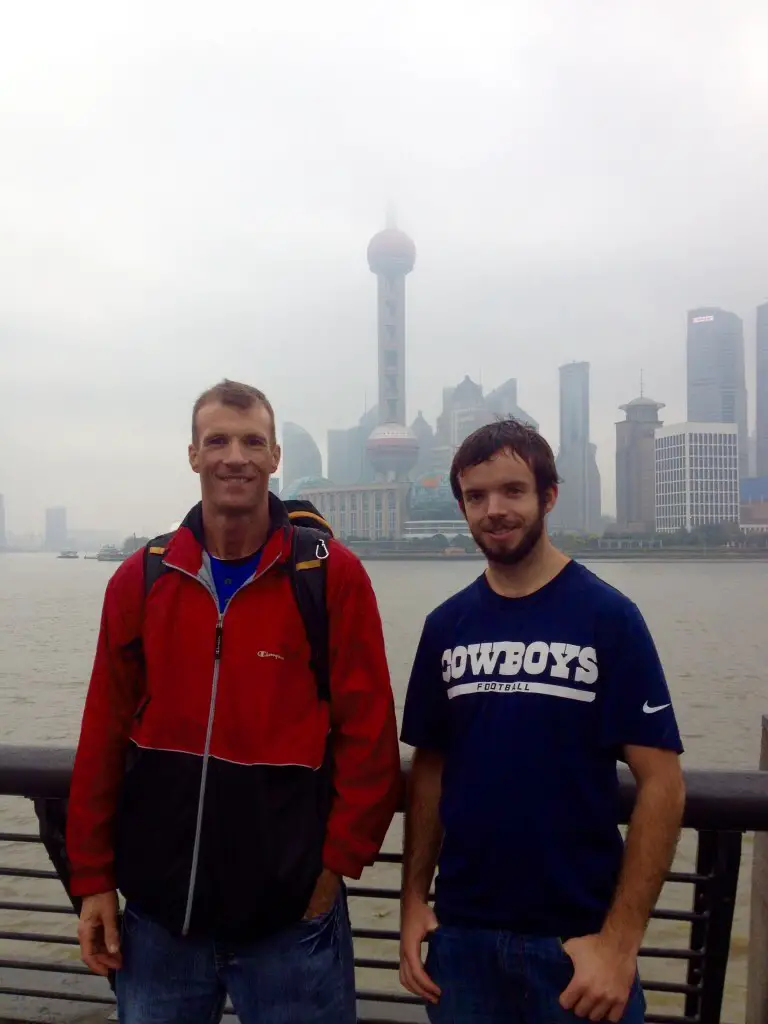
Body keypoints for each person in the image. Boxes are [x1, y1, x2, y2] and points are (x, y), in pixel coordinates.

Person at [66, 379, 402, 1024]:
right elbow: (102, 737)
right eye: (217, 440)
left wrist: (333, 870)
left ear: (276, 457)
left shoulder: (329, 576)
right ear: (192, 454)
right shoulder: (141, 580)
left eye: (252, 442)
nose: (234, 457)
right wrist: (92, 881)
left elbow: (371, 739)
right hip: (161, 921)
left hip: (291, 922)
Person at [399, 419, 685, 1024]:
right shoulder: (445, 627)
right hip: (462, 942)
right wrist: (411, 902)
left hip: (577, 950)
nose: (494, 510)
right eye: (476, 497)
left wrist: (620, 944)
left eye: (512, 491)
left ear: (548, 497)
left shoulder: (609, 618)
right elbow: (429, 771)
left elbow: (662, 783)